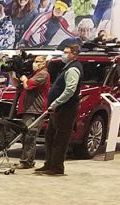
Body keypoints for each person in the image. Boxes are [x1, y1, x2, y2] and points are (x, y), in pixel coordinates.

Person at [37, 43, 82, 175]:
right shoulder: (66, 67)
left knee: (60, 139)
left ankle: (56, 167)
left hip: (66, 109)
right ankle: (49, 163)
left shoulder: (73, 69)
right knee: (50, 136)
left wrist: (56, 103)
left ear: (74, 54)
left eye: (66, 52)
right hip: (58, 109)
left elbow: (70, 90)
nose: (63, 54)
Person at [17, 54, 50, 168]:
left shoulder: (42, 74)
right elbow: (19, 84)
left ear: (44, 63)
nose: (35, 63)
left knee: (29, 136)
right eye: (35, 61)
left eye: (38, 61)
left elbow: (28, 85)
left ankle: (26, 161)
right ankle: (28, 160)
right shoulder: (35, 74)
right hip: (29, 109)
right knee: (26, 136)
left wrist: (25, 79)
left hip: (36, 110)